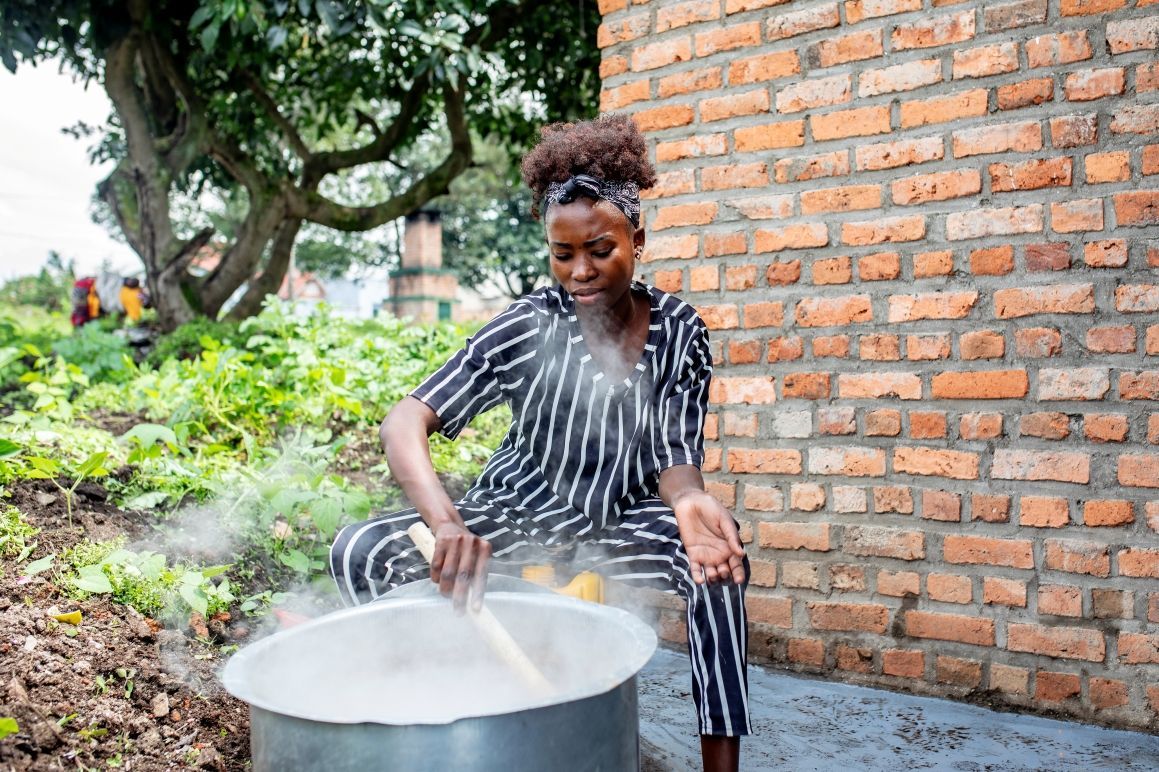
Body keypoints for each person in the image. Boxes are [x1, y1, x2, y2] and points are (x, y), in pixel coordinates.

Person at [330, 114, 750, 771]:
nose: (579, 271)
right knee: (359, 548)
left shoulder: (680, 330)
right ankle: (427, 727)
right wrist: (446, 526)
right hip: (515, 516)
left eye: (600, 250)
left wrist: (691, 502)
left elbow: (674, 457)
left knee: (717, 568)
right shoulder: (530, 323)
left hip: (617, 524)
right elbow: (403, 421)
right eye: (563, 254)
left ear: (636, 239)